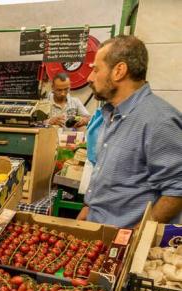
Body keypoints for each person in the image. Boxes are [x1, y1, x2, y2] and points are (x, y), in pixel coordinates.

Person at [76, 35, 182, 228]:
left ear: (119, 71)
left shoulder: (159, 120)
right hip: (98, 230)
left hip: (125, 241)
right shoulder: (111, 114)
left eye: (96, 69)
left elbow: (177, 189)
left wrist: (136, 236)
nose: (90, 78)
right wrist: (89, 208)